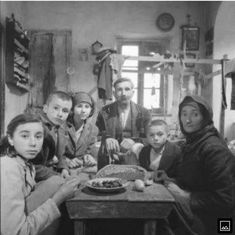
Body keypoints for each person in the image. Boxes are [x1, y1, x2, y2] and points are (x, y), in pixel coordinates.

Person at [163, 95, 235, 235]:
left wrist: (186, 196)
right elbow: (195, 180)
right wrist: (170, 179)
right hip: (200, 212)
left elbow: (225, 200)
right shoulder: (193, 143)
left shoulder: (214, 149)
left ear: (205, 117)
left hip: (220, 223)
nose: (187, 120)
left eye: (194, 114)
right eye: (184, 114)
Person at [0, 113, 81, 235]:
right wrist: (59, 196)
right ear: (10, 139)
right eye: (24, 136)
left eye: (38, 136)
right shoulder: (7, 166)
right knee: (56, 183)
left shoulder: (27, 165)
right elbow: (15, 232)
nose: (33, 143)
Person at [96, 77, 151, 169]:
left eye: (127, 89)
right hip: (111, 154)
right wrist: (106, 138)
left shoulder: (144, 112)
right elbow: (97, 135)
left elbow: (150, 138)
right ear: (114, 93)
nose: (123, 93)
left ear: (133, 92)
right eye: (119, 90)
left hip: (134, 155)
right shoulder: (104, 111)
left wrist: (134, 141)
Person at [29, 91, 73, 181]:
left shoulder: (61, 128)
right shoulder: (36, 128)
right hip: (35, 177)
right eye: (56, 108)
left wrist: (63, 168)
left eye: (65, 111)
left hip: (51, 173)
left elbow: (61, 155)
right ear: (45, 108)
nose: (60, 114)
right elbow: (31, 165)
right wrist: (56, 175)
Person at [63, 91, 98, 175]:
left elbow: (89, 151)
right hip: (63, 166)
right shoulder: (62, 126)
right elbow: (56, 153)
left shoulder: (93, 129)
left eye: (87, 107)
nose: (83, 110)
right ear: (72, 109)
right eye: (79, 106)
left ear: (91, 110)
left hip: (80, 166)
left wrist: (88, 157)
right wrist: (67, 161)